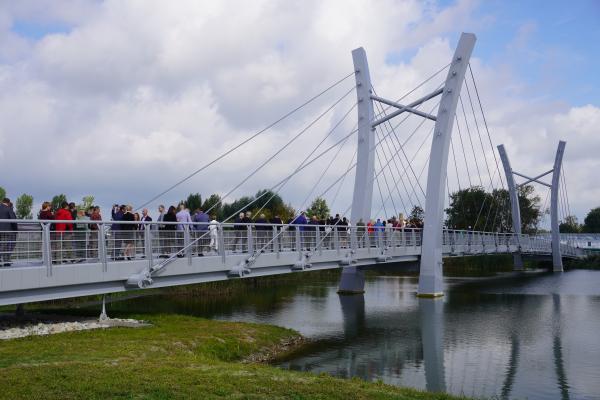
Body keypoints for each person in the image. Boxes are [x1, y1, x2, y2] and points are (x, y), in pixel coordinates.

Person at [0, 198, 17, 267]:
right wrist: (16, 230)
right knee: (5, 246)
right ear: (8, 202)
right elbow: (13, 220)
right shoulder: (8, 208)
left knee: (2, 245)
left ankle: (5, 261)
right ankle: (6, 261)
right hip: (6, 230)